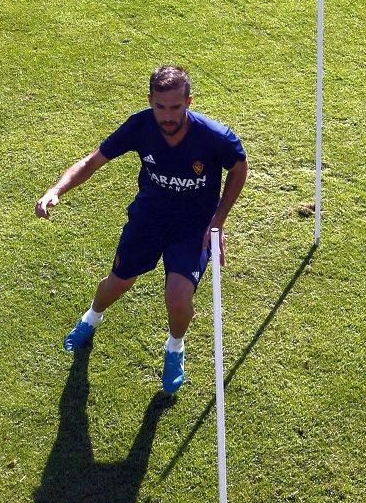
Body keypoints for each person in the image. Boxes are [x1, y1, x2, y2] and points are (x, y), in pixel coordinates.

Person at [35, 66, 248, 395]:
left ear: (189, 101)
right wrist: (56, 190)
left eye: (176, 107)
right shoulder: (140, 126)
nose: (167, 116)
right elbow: (93, 161)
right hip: (148, 219)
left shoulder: (214, 137)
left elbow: (238, 168)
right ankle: (92, 317)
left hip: (192, 228)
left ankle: (175, 347)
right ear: (150, 101)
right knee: (117, 283)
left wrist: (217, 219)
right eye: (160, 107)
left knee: (178, 298)